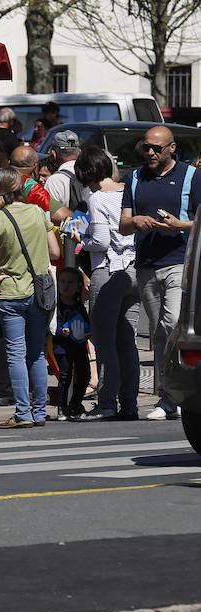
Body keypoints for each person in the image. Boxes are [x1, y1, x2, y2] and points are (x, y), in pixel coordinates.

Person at [120, 125, 201, 420]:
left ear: (172, 148)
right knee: (161, 333)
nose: (150, 153)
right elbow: (123, 224)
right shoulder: (135, 177)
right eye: (146, 147)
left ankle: (177, 397)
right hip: (147, 265)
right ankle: (167, 398)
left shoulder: (192, 177)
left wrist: (180, 226)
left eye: (156, 148)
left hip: (180, 261)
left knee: (172, 325)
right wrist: (137, 219)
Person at [0, 166, 60, 428]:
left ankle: (22, 413)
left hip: (11, 292)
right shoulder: (36, 212)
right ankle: (39, 411)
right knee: (37, 354)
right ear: (21, 187)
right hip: (38, 292)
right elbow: (54, 252)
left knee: (15, 353)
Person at [74, 146, 140, 421]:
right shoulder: (129, 190)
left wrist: (80, 239)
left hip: (108, 269)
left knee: (105, 342)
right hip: (135, 269)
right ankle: (129, 403)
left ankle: (107, 402)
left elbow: (100, 241)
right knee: (127, 341)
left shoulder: (97, 198)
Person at [52, 267, 91, 420]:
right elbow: (53, 326)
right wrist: (62, 331)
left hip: (80, 345)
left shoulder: (78, 305)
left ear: (78, 286)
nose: (66, 286)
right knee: (65, 376)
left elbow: (86, 323)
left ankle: (76, 403)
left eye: (70, 282)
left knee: (84, 374)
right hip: (63, 347)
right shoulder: (57, 305)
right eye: (62, 282)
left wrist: (89, 331)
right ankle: (62, 407)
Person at [44, 130, 87, 213]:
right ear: (79, 152)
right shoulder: (91, 174)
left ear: (54, 154)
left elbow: (50, 214)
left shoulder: (55, 181)